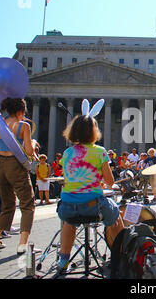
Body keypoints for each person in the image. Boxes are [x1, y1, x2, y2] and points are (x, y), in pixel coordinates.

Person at [57, 113, 124, 272]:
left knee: (69, 223)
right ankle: (123, 252)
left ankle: (63, 260)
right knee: (115, 215)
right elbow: (110, 182)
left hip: (66, 207)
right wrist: (99, 181)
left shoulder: (67, 153)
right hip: (92, 205)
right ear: (93, 132)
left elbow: (69, 179)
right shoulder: (100, 151)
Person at [0, 98, 40, 254]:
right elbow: (29, 152)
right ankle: (23, 244)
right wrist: (33, 142)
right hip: (15, 166)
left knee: (7, 204)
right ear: (20, 112)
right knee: (27, 204)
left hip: (1, 166)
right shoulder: (23, 126)